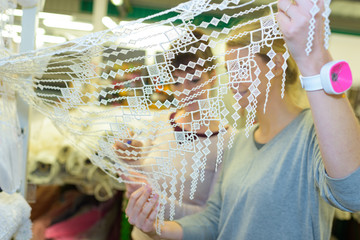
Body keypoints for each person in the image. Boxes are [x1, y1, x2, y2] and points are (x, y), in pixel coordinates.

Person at [123, 0, 360, 239]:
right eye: (229, 70)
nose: (234, 82)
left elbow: (353, 192)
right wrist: (155, 227)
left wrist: (315, 58)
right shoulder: (239, 143)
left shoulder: (312, 133)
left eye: (243, 67)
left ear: (276, 65)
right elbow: (214, 219)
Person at [114, 29, 233, 240]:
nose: (185, 92)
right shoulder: (160, 121)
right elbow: (138, 181)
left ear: (212, 77)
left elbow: (212, 216)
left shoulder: (227, 140)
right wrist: (130, 158)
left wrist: (154, 200)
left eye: (194, 80)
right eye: (177, 82)